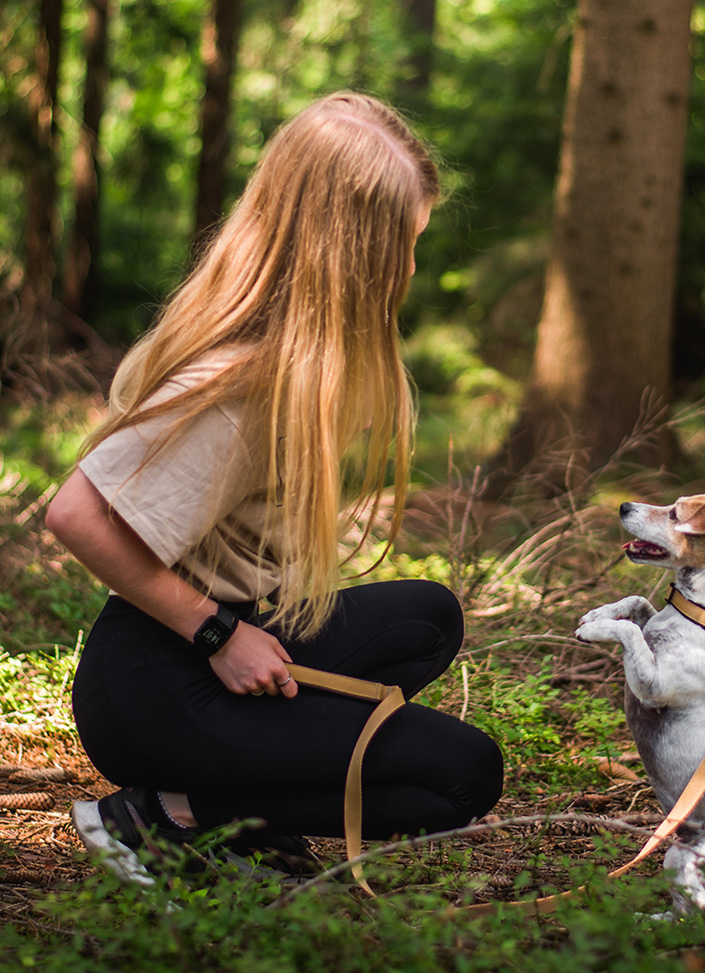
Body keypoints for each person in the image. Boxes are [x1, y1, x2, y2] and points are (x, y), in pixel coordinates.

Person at [46, 92, 504, 884]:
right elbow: (75, 514)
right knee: (460, 773)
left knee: (428, 619)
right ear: (350, 248)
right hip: (157, 686)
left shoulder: (292, 364)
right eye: (404, 244)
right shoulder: (238, 382)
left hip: (211, 638)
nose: (412, 266)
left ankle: (221, 799)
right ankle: (166, 818)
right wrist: (216, 634)